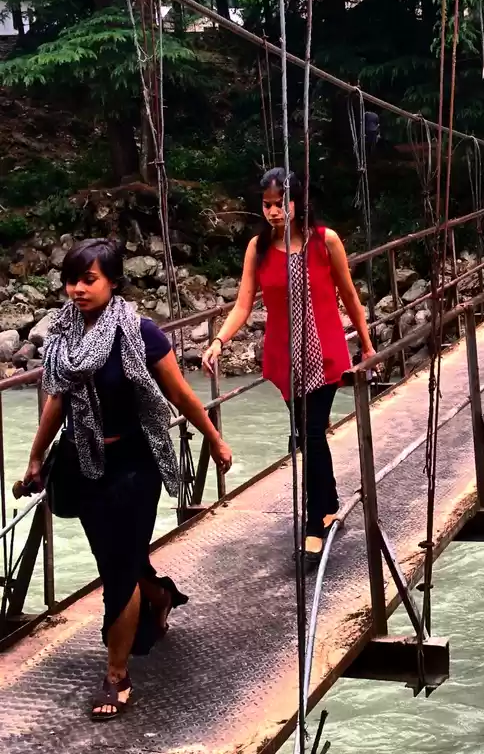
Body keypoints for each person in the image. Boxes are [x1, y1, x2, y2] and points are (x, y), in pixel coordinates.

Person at [20, 238, 232, 720]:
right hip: (83, 461)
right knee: (115, 559)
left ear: (113, 282)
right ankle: (159, 595)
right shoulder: (62, 337)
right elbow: (57, 401)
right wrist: (35, 457)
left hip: (135, 463)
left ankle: (116, 675)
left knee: (117, 569)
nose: (77, 289)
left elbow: (180, 394)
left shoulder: (140, 333)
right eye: (71, 281)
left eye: (88, 280)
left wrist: (215, 440)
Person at [202, 168, 376, 564]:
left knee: (310, 434)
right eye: (267, 204)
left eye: (281, 203)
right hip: (286, 358)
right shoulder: (258, 248)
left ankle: (315, 525)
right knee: (308, 433)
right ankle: (329, 503)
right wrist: (218, 341)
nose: (273, 211)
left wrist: (366, 346)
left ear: (297, 202)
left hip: (325, 352)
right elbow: (243, 304)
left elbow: (349, 294)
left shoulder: (325, 241)